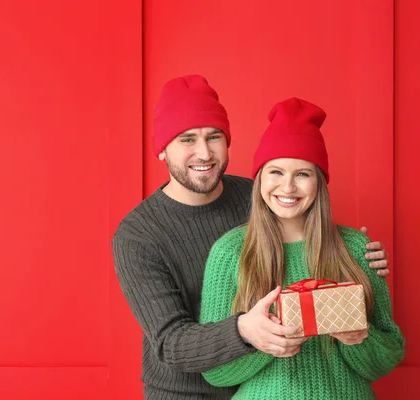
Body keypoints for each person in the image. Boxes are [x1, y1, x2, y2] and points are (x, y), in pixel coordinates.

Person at [112, 76, 391, 400]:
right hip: (185, 393)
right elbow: (170, 342)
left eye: (213, 136)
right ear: (162, 150)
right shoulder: (138, 236)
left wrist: (361, 257)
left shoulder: (262, 196)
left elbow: (313, 237)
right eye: (187, 139)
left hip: (268, 383)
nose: (204, 152)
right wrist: (245, 330)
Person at [199, 97, 405, 399]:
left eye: (303, 174)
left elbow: (387, 357)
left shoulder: (357, 249)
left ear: (319, 183)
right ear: (259, 180)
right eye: (276, 172)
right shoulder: (230, 252)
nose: (288, 187)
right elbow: (214, 371)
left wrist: (360, 339)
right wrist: (264, 343)